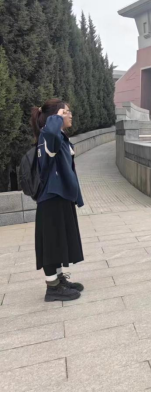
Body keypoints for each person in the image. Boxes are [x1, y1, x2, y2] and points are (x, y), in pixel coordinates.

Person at [33, 99, 85, 303]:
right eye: (66, 112)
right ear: (54, 117)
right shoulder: (49, 135)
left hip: (60, 196)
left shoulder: (56, 136)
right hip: (51, 198)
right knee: (52, 244)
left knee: (58, 241)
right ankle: (53, 288)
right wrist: (55, 118)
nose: (70, 115)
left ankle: (59, 280)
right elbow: (53, 132)